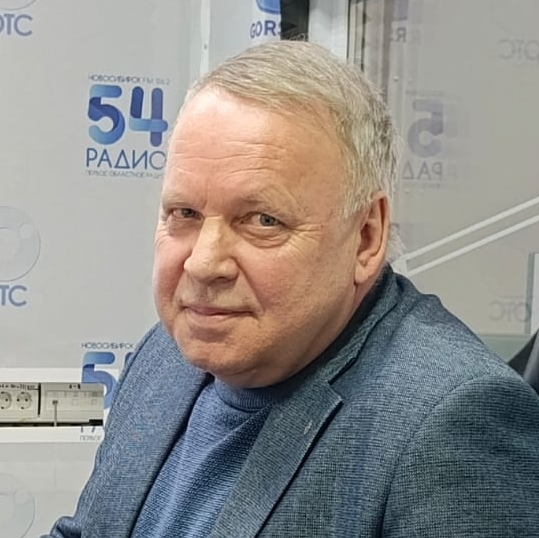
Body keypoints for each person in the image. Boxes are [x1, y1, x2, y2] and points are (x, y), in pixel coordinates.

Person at [44, 41, 539, 538]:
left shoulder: (452, 422)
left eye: (262, 220)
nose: (203, 263)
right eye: (184, 213)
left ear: (366, 237)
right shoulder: (166, 352)